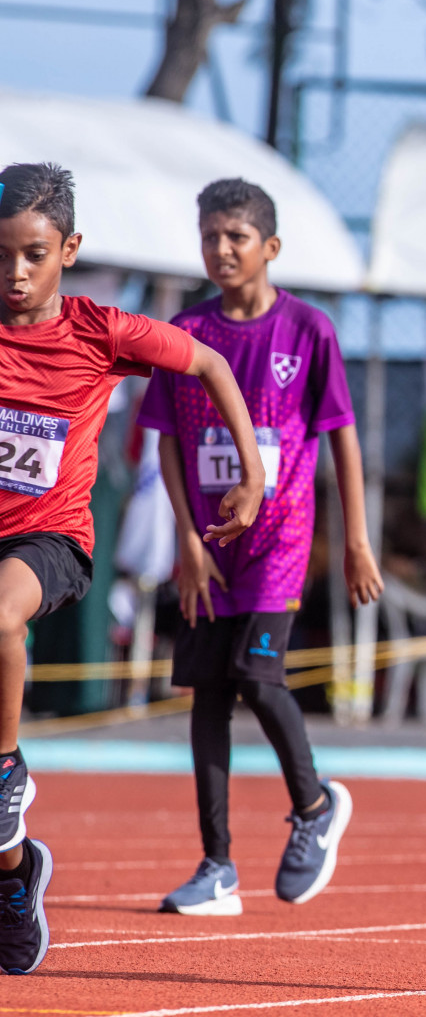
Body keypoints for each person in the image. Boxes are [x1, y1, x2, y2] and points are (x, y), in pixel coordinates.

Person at [0, 162, 264, 973]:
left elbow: (213, 367)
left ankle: (6, 767)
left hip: (47, 543)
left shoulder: (100, 331)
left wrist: (251, 473)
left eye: (33, 255)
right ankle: (13, 878)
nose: (14, 273)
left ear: (69, 249)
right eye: (0, 255)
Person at [137, 179, 382, 916]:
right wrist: (185, 536)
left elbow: (343, 440)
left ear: (270, 247)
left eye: (236, 237)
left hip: (280, 542)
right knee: (207, 694)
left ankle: (312, 807)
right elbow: (170, 442)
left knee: (258, 675)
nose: (221, 250)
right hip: (211, 548)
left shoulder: (308, 331)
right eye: (210, 236)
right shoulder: (186, 332)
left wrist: (358, 541)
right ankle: (216, 867)